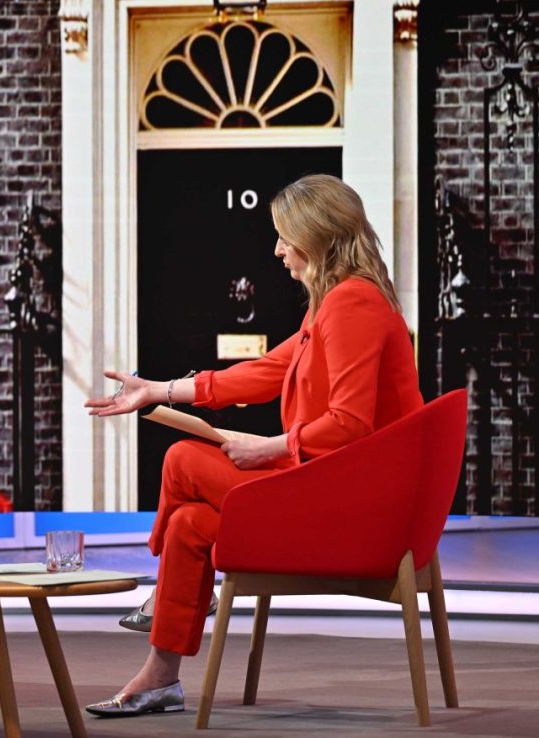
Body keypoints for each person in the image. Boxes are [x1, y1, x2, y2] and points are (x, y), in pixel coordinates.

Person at [83, 174, 422, 717]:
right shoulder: (332, 304)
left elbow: (351, 425)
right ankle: (160, 678)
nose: (277, 249)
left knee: (182, 459)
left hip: (355, 513)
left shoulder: (352, 304)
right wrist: (160, 390)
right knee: (187, 525)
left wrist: (271, 448)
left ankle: (158, 595)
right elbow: (265, 372)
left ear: (316, 235)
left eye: (285, 235)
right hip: (328, 492)